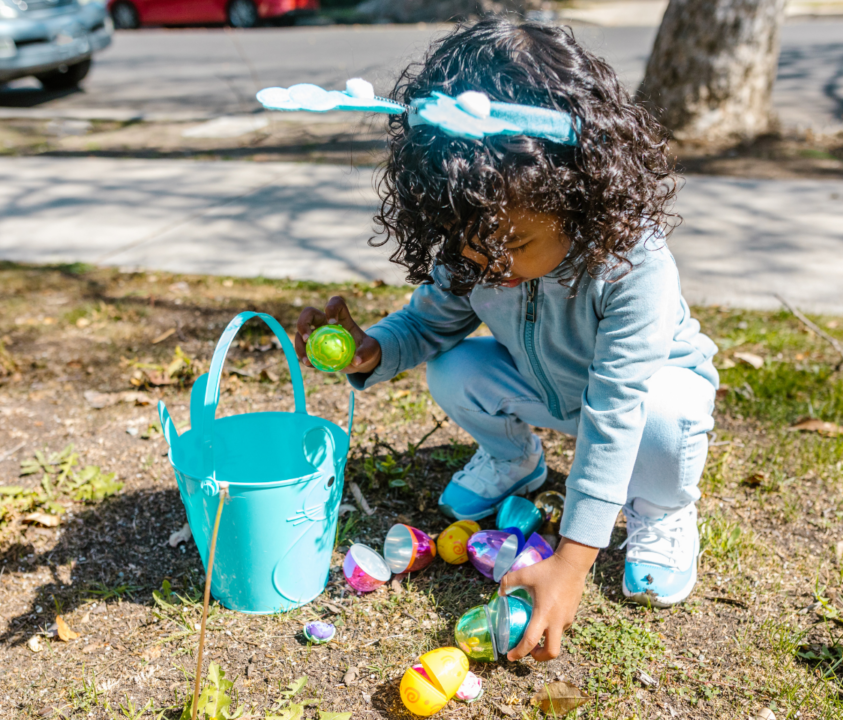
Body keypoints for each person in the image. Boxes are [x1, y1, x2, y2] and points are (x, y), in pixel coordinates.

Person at [291, 18, 718, 662]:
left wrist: (571, 563)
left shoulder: (634, 265)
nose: (492, 263)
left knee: (661, 417)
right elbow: (427, 324)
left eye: (515, 245)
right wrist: (371, 348)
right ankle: (517, 462)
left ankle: (659, 509)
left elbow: (615, 408)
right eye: (470, 243)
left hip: (644, 401)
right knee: (454, 365)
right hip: (550, 392)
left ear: (578, 195)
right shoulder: (481, 241)